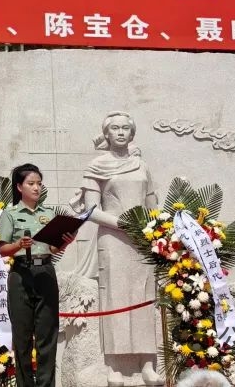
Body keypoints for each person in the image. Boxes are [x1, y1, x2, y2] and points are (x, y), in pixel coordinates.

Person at [68, 111, 162, 386]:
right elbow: (90, 210)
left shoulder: (142, 166)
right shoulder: (97, 166)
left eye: (125, 128)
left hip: (142, 242)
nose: (120, 132)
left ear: (132, 134)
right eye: (115, 128)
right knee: (115, 299)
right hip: (113, 240)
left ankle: (147, 364)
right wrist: (124, 224)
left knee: (144, 298)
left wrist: (155, 229)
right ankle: (114, 366)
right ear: (106, 134)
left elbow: (152, 205)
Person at [0, 164, 76, 387]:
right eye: (31, 183)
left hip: (45, 273)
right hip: (21, 274)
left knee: (47, 336)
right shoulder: (10, 214)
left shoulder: (48, 214)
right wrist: (18, 245)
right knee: (22, 338)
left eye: (39, 183)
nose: (36, 188)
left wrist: (64, 243)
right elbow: (3, 249)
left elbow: (52, 248)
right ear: (19, 187)